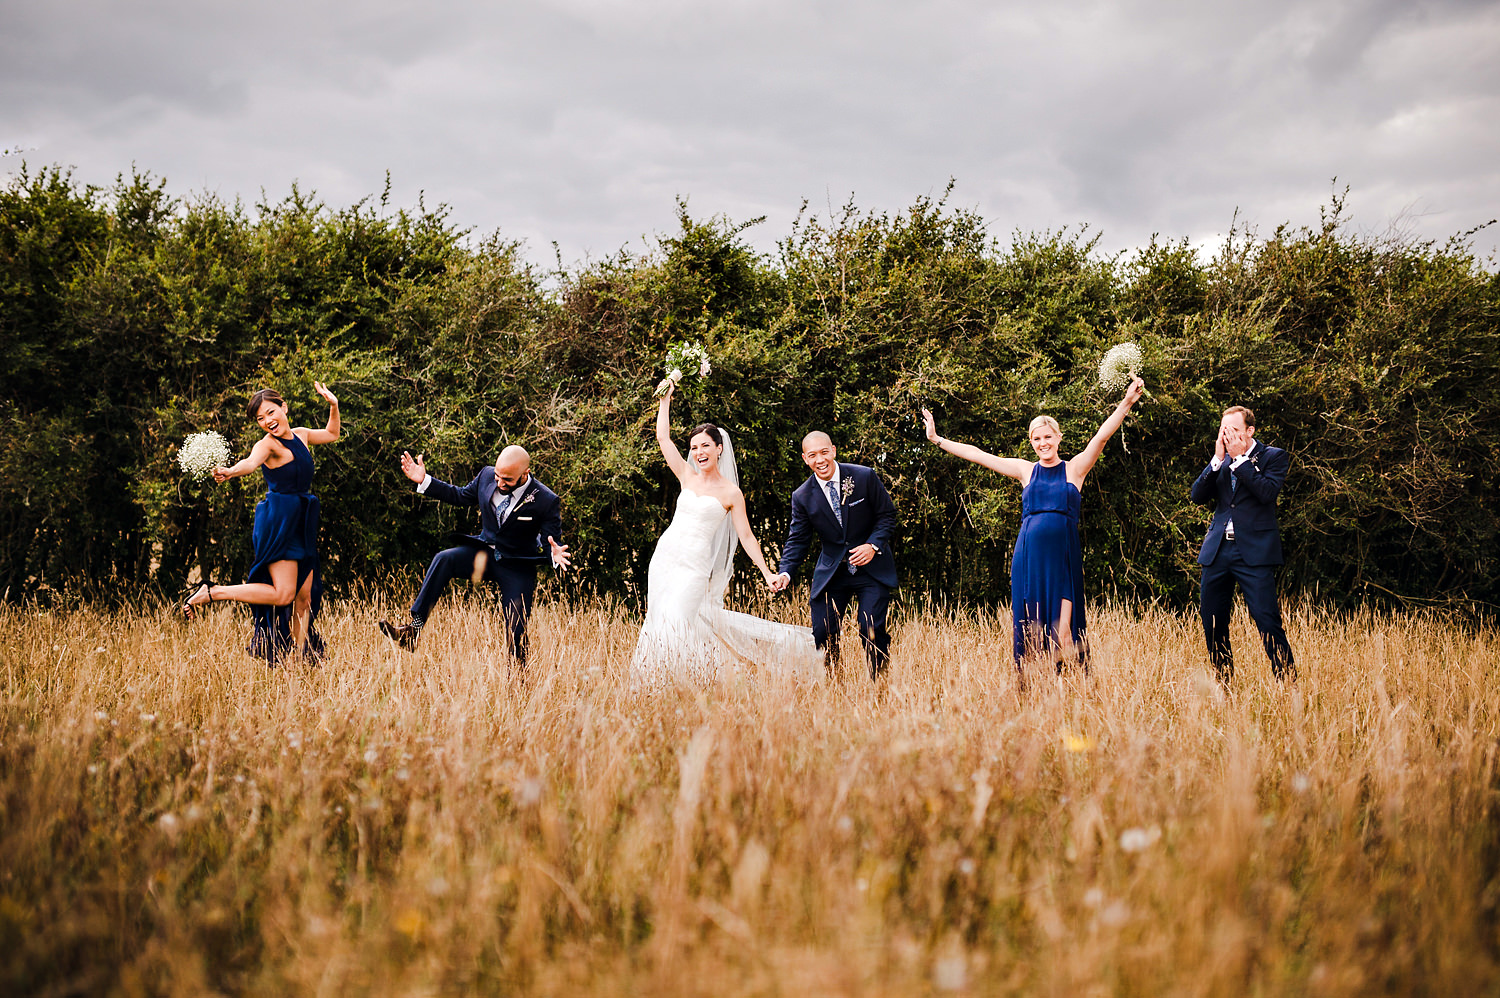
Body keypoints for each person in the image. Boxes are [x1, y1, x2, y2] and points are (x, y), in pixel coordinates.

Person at [922, 375, 1144, 681]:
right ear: (1031, 442)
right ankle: (1037, 697)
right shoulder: (1026, 471)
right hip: (1029, 559)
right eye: (1037, 439)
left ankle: (1083, 698)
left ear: (1058, 438)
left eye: (1048, 437)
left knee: (1065, 635)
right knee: (1032, 634)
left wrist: (1128, 401)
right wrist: (936, 439)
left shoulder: (1074, 469)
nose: (1043, 444)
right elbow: (979, 455)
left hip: (1062, 561)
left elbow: (1102, 437)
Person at [630, 380, 823, 686]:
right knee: (657, 622)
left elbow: (746, 537)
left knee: (679, 619)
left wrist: (767, 572)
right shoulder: (686, 476)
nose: (699, 451)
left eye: (705, 445)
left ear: (719, 449)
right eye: (694, 447)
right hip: (665, 560)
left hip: (694, 566)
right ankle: (653, 686)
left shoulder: (731, 493)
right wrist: (665, 400)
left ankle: (686, 683)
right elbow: (663, 438)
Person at [182, 383, 341, 665]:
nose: (268, 421)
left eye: (270, 412)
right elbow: (250, 463)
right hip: (279, 521)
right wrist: (231, 471)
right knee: (283, 595)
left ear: (284, 408)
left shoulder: (302, 435)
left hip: (302, 519)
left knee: (304, 597)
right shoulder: (268, 444)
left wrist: (333, 405)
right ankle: (213, 592)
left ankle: (301, 660)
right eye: (260, 419)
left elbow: (332, 433)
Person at [378, 445, 569, 666]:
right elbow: (459, 496)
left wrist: (554, 554)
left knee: (516, 630)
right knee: (444, 559)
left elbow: (552, 541)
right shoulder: (487, 475)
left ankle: (518, 684)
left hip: (517, 566)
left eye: (507, 480)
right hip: (484, 553)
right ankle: (413, 630)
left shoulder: (546, 499)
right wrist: (425, 481)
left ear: (525, 474)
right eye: (498, 477)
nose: (499, 483)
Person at [770, 431, 899, 681]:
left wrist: (872, 546)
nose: (820, 459)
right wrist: (785, 571)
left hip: (871, 569)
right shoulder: (802, 496)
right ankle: (835, 686)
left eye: (824, 452)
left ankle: (881, 687)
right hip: (833, 573)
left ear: (834, 451)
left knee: (870, 628)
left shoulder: (863, 477)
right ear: (805, 459)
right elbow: (798, 538)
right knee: (822, 631)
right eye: (813, 455)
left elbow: (887, 516)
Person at [1191, 405, 1295, 683]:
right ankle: (1224, 685)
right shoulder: (1221, 459)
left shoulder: (1274, 456)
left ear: (1249, 431)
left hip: (1255, 553)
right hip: (1218, 551)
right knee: (1213, 624)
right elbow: (1197, 496)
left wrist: (1240, 460)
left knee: (1267, 621)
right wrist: (1216, 460)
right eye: (1224, 430)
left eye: (1234, 430)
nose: (1229, 436)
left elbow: (1267, 493)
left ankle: (1288, 686)